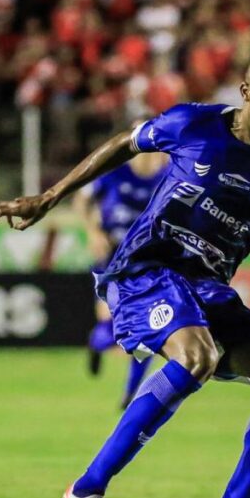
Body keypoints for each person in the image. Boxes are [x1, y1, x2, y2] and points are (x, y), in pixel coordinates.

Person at [0, 45, 250, 498]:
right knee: (197, 356)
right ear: (246, 92)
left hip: (209, 290)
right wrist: (49, 197)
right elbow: (126, 142)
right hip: (144, 272)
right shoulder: (194, 124)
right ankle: (85, 493)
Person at [72, 149, 169, 409]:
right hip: (113, 258)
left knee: (150, 328)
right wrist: (93, 232)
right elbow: (81, 200)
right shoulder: (113, 173)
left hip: (149, 263)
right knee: (111, 325)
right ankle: (96, 343)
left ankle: (131, 393)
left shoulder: (168, 174)